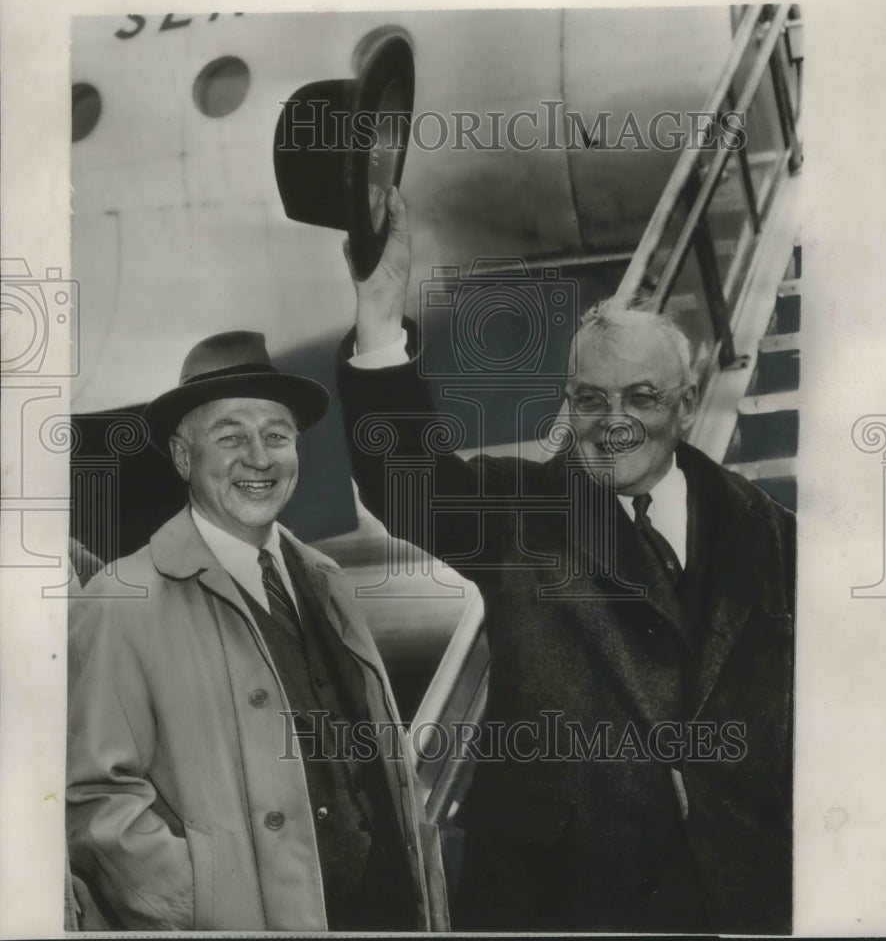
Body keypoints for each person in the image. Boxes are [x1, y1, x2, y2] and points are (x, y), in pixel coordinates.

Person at [337, 189, 795, 933]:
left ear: (684, 407)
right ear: (568, 404)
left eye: (641, 398)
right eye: (589, 400)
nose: (614, 425)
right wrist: (381, 314)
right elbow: (403, 478)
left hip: (735, 896)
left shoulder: (776, 540)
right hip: (558, 898)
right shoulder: (525, 511)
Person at [66, 330, 449, 932]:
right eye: (230, 437)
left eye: (277, 435)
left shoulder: (325, 581)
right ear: (183, 457)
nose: (260, 458)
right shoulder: (121, 600)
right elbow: (95, 803)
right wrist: (218, 908)